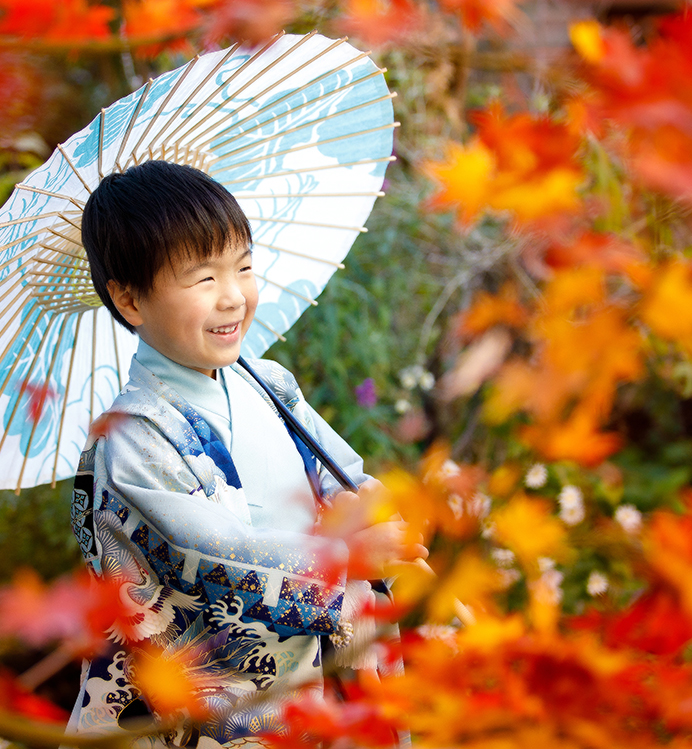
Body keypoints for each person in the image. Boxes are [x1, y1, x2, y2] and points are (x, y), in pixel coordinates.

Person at [67, 159, 426, 748]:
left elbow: (341, 473)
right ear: (130, 299)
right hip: (226, 694)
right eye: (203, 279)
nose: (233, 296)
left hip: (318, 666)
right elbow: (210, 555)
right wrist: (347, 555)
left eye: (244, 267)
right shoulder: (132, 435)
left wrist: (373, 509)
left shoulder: (269, 383)